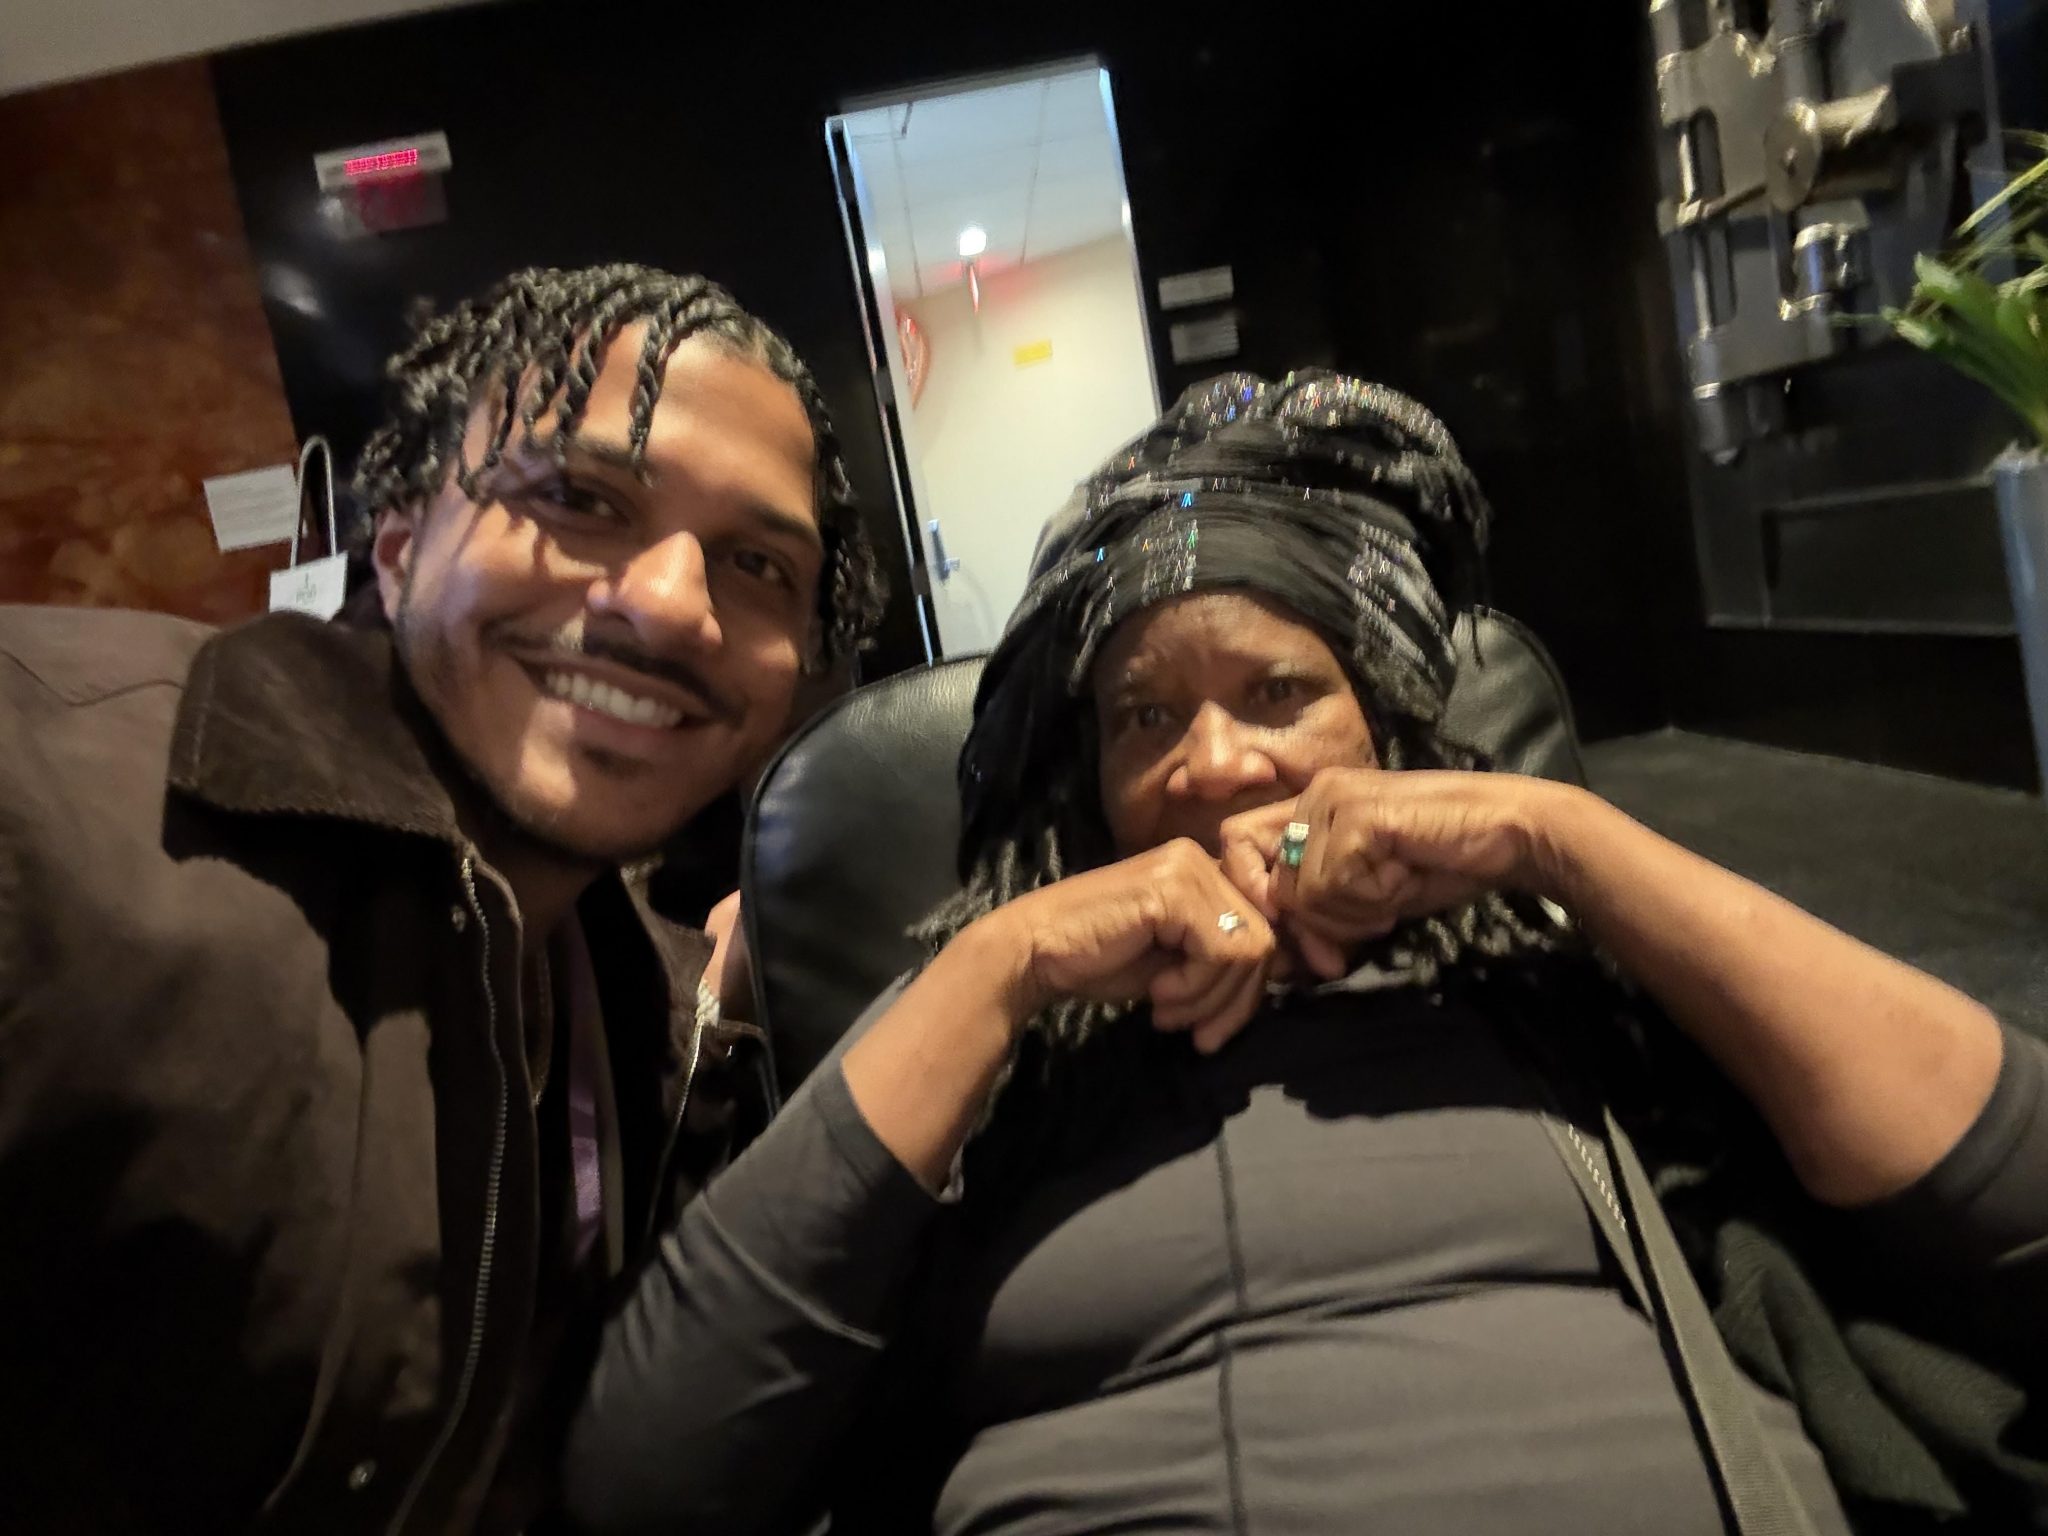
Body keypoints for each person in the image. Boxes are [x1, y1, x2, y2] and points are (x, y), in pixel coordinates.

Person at [565, 372, 2047, 1535]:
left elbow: (2021, 1200)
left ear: (1386, 731)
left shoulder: (1546, 986)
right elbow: (644, 1476)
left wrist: (1557, 839)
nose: (1213, 763)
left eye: (1278, 692)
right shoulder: (1005, 1052)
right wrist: (999, 967)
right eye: (1146, 717)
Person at [0, 263, 882, 1534]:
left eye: (754, 562)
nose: (672, 607)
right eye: (579, 499)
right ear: (402, 540)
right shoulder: (47, 803)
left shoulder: (630, 990)